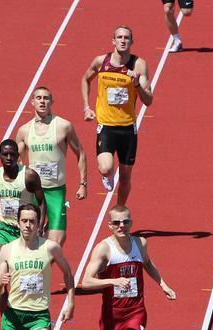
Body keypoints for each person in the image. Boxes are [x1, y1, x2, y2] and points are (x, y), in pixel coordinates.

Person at [0, 139, 46, 330]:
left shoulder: (29, 176)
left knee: (24, 278)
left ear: (18, 156)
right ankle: (8, 325)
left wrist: (40, 226)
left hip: (24, 232)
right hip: (4, 229)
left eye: (12, 154)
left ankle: (33, 319)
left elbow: (41, 201)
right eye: (5, 155)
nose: (8, 158)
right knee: (0, 279)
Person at [80, 26, 153, 205]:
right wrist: (86, 107)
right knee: (105, 168)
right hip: (106, 126)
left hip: (128, 129)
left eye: (126, 37)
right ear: (113, 41)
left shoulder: (138, 65)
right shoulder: (101, 62)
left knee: (126, 177)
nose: (122, 40)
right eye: (119, 37)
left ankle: (119, 209)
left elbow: (149, 100)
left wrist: (136, 84)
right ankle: (108, 174)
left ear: (131, 42)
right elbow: (85, 79)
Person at [16, 86, 88, 247]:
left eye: (46, 98)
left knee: (56, 242)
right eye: (39, 98)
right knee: (29, 239)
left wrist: (83, 184)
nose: (42, 101)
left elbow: (81, 154)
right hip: (33, 191)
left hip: (56, 191)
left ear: (52, 102)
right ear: (32, 102)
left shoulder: (63, 126)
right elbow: (17, 162)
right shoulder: (24, 131)